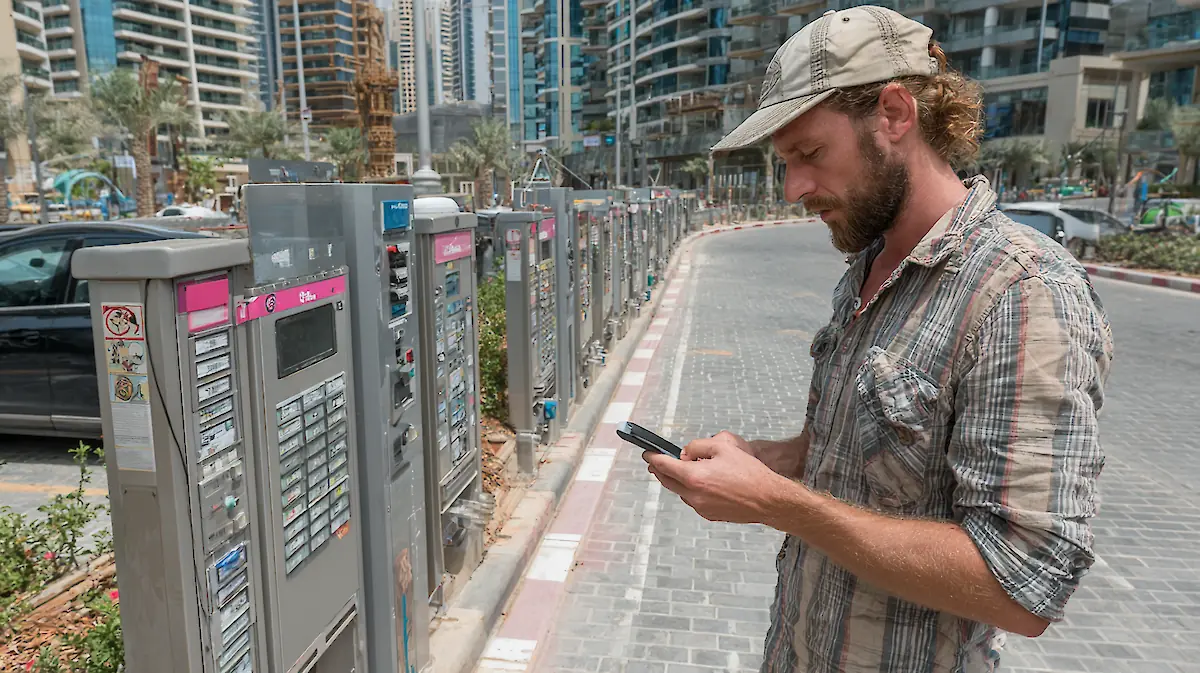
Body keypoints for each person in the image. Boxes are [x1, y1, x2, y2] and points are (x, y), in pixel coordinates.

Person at [641, 6, 1113, 673]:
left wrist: (781, 504)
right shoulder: (869, 266)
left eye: (808, 155)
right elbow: (865, 456)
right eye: (785, 162)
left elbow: (1024, 582)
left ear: (894, 113)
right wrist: (770, 460)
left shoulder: (1022, 292)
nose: (794, 188)